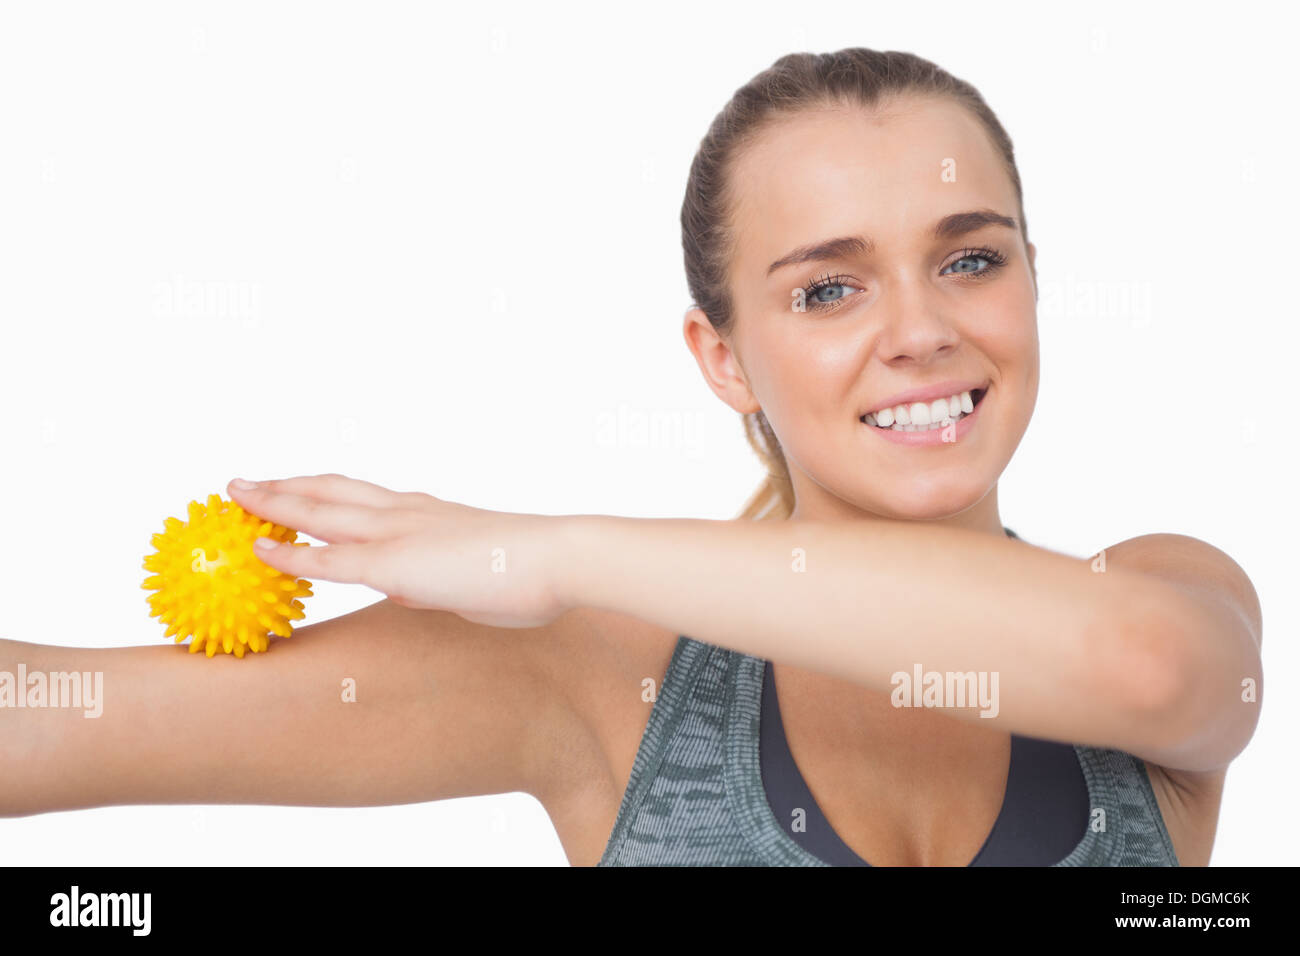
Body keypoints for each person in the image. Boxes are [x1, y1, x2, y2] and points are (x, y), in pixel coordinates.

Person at [0, 48, 1262, 867]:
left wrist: (555, 550)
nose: (921, 329)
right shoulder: (602, 668)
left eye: (971, 259)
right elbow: (44, 728)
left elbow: (1137, 666)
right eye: (828, 289)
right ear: (722, 359)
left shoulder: (1158, 587)